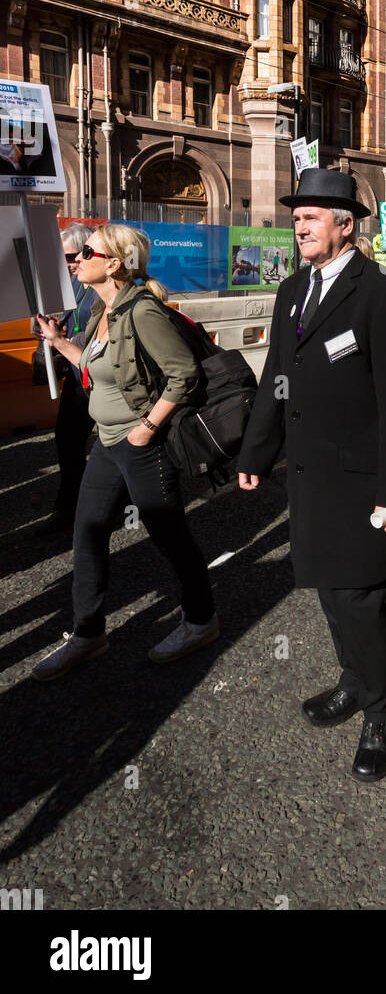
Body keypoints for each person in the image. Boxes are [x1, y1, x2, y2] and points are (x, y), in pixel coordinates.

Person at [236, 169, 386, 782]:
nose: (299, 226)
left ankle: (385, 707)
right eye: (296, 217)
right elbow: (276, 378)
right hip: (310, 475)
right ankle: (355, 679)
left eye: (312, 217)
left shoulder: (383, 293)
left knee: (362, 597)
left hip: (364, 480)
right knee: (329, 590)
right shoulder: (294, 289)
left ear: (345, 225)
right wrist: (254, 453)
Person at [31, 226, 218, 681]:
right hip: (106, 444)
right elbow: (94, 368)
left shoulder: (142, 310)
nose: (76, 260)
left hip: (140, 447)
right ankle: (88, 633)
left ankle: (200, 621)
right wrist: (58, 342)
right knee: (88, 534)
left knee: (169, 537)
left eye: (86, 254)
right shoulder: (101, 310)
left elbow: (184, 374)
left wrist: (147, 428)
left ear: (113, 263)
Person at [30, 223, 96, 538]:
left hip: (102, 377)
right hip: (77, 376)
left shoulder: (97, 282)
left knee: (117, 449)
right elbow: (54, 322)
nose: (68, 263)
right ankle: (68, 510)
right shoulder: (69, 281)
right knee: (68, 442)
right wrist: (48, 328)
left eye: (71, 256)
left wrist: (66, 339)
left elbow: (104, 330)